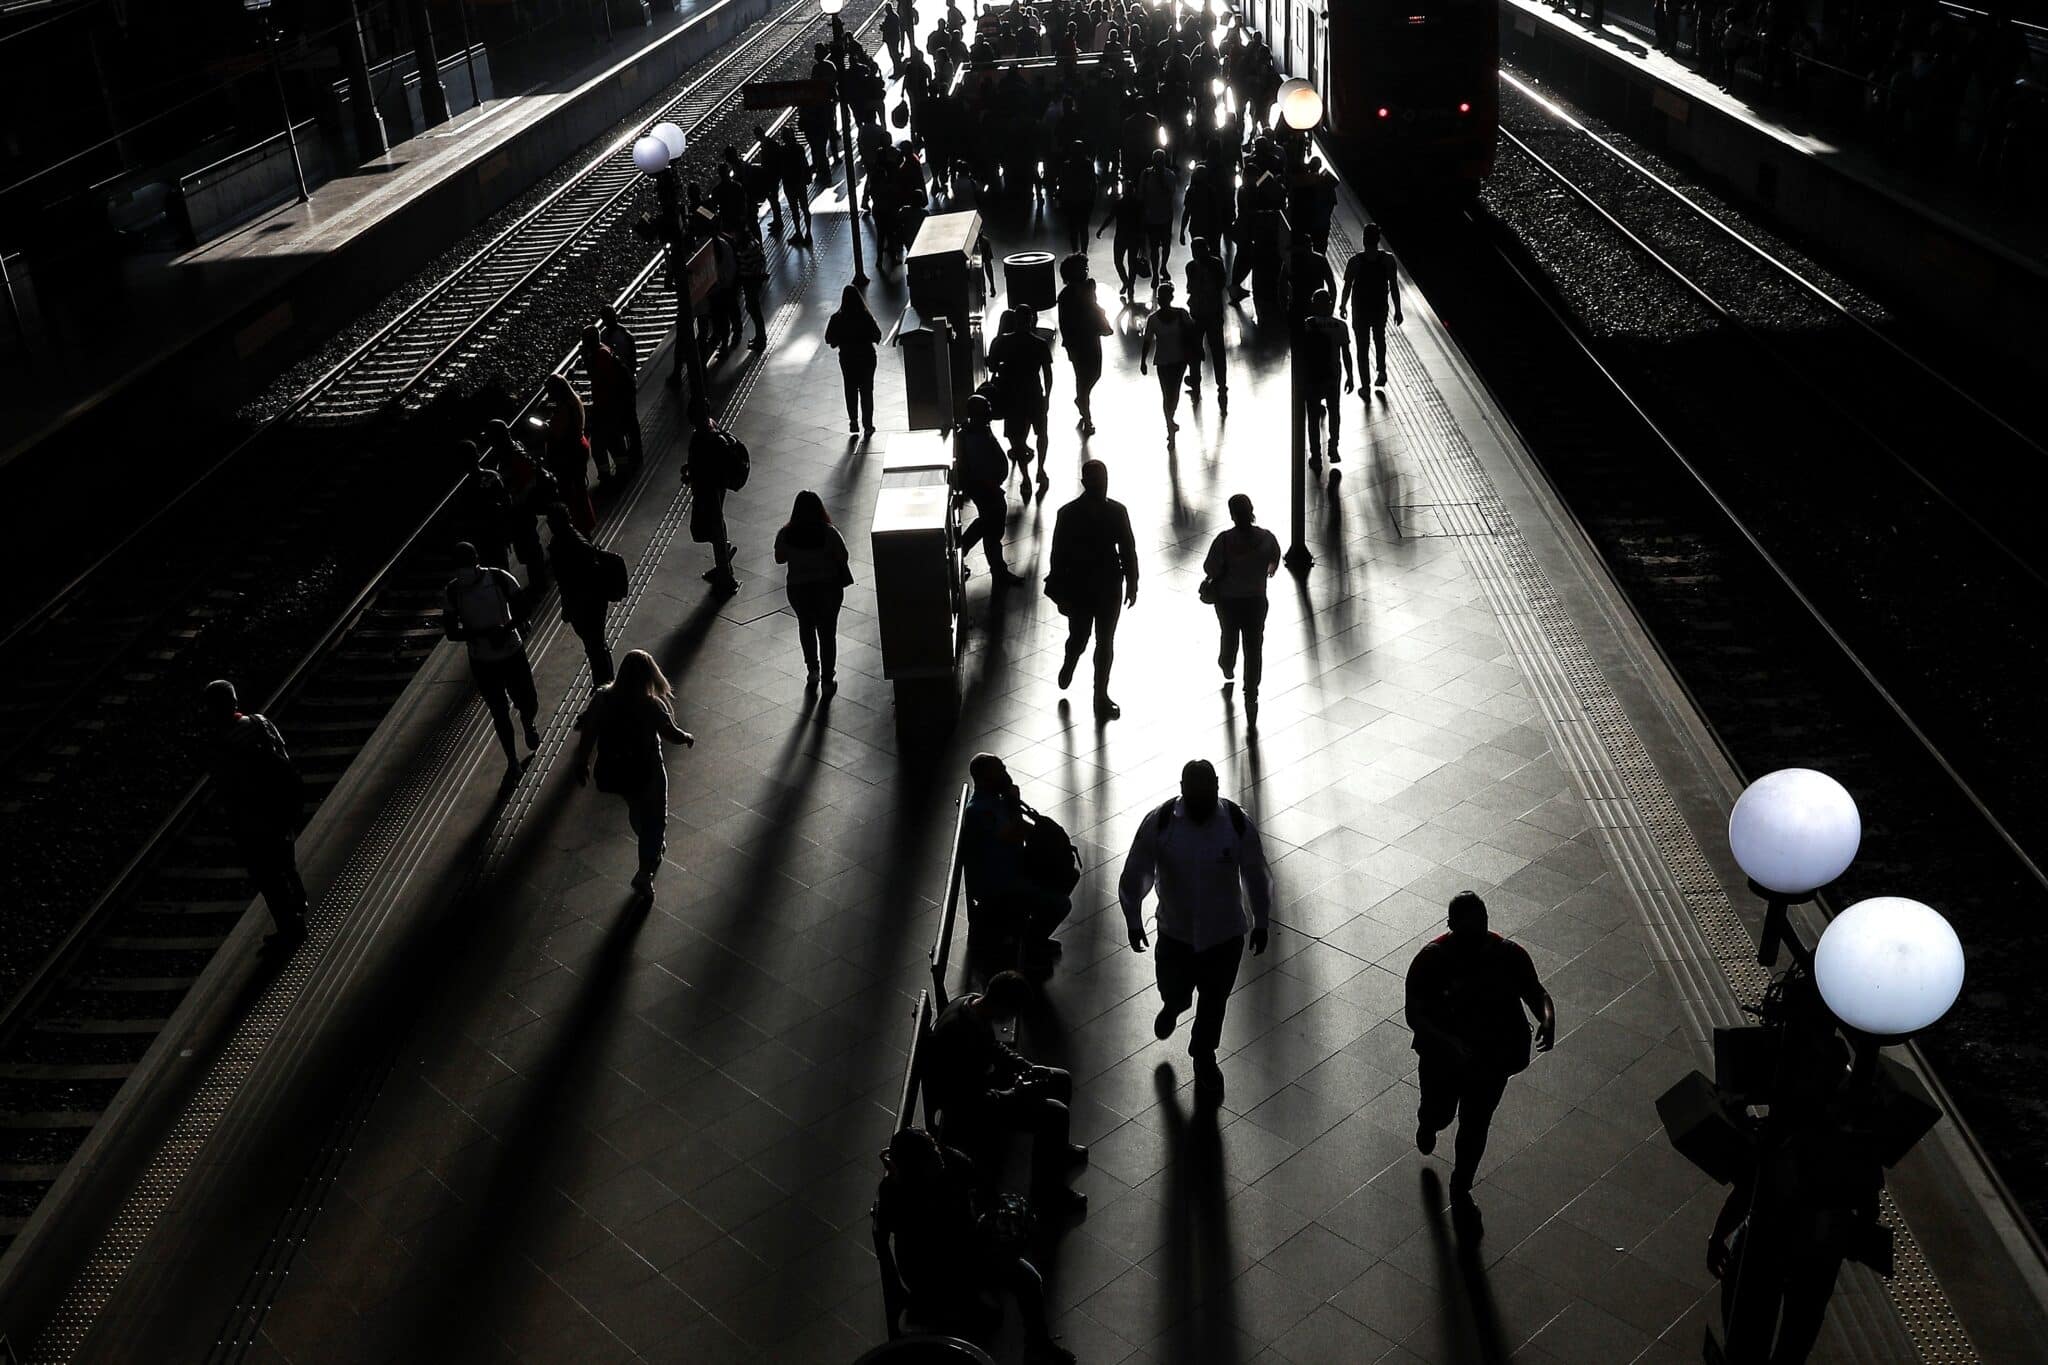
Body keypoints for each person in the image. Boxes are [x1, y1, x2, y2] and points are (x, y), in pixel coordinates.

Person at [1118, 759, 1273, 1102]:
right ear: (1182, 789)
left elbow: (1255, 874)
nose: (1201, 800)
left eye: (1208, 792)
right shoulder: (1160, 823)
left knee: (1215, 1000)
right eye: (1194, 794)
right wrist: (1132, 917)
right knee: (1173, 987)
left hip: (1224, 935)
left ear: (1217, 786)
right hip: (1176, 933)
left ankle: (1204, 1054)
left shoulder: (1235, 823)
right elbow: (1136, 872)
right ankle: (1174, 1004)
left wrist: (1261, 919)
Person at [1404, 891, 1557, 1211]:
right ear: (1451, 926)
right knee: (1442, 1112)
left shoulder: (1508, 955)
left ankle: (1462, 1182)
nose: (1476, 939)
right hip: (1443, 1060)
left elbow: (1535, 992)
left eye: (1481, 927)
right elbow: (1414, 1015)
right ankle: (1429, 1121)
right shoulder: (1431, 960)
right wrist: (1447, 1043)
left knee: (1476, 1121)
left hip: (1490, 1059)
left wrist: (1548, 1017)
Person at [874, 1128, 1076, 1365]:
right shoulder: (898, 1193)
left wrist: (995, 1220)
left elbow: (984, 1188)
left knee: (1027, 1281)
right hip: (930, 1269)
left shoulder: (945, 1164)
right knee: (1017, 1287)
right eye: (930, 1158)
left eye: (936, 1152)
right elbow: (910, 1246)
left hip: (965, 1250)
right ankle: (983, 1321)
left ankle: (1037, 1347)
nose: (938, 1160)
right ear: (914, 1167)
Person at [923, 972, 1089, 1217]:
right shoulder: (960, 1035)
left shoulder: (970, 1004)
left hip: (979, 1084)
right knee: (1055, 1114)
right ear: (1002, 1004)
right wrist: (1014, 1093)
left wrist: (1024, 1066)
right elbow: (972, 1100)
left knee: (1060, 1079)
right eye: (1013, 1011)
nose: (1012, 1019)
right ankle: (1046, 1193)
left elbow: (992, 1047)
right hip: (968, 1108)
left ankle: (1056, 1153)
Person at [573, 649, 695, 899]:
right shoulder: (651, 705)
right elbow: (671, 733)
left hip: (615, 771)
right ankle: (644, 872)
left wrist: (582, 761)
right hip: (647, 769)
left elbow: (589, 733)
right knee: (657, 817)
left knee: (637, 809)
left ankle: (649, 842)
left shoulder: (602, 699)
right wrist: (686, 737)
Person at [202, 680, 309, 948]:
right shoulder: (260, 723)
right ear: (235, 702)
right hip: (279, 807)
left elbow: (227, 787)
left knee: (267, 876)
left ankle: (290, 927)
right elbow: (283, 757)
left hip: (252, 820)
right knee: (285, 860)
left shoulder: (221, 743)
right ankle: (298, 903)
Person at [961, 754, 1073, 972]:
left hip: (1013, 869)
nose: (1005, 774)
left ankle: (1029, 930)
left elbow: (1022, 831)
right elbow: (1012, 835)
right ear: (984, 777)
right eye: (999, 770)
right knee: (1062, 903)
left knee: (1069, 873)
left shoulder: (997, 800)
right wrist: (1013, 805)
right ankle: (1031, 941)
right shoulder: (979, 810)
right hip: (998, 884)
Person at [1046, 459, 1138, 718]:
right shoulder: (1069, 514)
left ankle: (1100, 695)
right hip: (1083, 586)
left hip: (1105, 585)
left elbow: (1128, 548)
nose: (1102, 486)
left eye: (1103, 480)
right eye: (1097, 481)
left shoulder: (1112, 511)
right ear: (1085, 482)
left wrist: (1132, 582)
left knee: (1104, 641)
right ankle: (1072, 659)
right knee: (1081, 637)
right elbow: (1058, 555)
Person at [441, 541, 542, 772]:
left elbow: (523, 608)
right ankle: (512, 760)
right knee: (498, 711)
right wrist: (483, 634)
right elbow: (450, 631)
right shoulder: (453, 591)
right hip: (482, 661)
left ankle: (528, 722)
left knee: (528, 700)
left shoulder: (499, 579)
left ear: (477, 561)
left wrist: (505, 629)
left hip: (511, 651)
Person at [1201, 494, 1280, 722]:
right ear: (1252, 510)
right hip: (1256, 600)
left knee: (1229, 635)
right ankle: (1251, 691)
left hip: (1228, 600)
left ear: (1232, 515)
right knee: (1254, 645)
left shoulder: (1224, 541)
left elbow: (1210, 568)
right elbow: (1274, 558)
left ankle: (1227, 663)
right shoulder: (1267, 538)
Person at [773, 490, 852, 692]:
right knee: (827, 633)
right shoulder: (829, 532)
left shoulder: (786, 533)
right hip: (828, 588)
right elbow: (843, 556)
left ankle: (812, 670)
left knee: (806, 627)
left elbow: (779, 558)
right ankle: (827, 678)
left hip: (799, 589)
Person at [952, 394, 1026, 587]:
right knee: (991, 526)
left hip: (987, 486)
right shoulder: (972, 435)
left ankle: (962, 550)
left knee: (989, 525)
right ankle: (960, 548)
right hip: (985, 487)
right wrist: (990, 483)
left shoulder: (978, 430)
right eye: (986, 408)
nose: (990, 412)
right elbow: (977, 465)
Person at [545, 504, 621, 686]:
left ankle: (604, 682)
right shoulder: (568, 541)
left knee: (595, 646)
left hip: (586, 605)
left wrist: (570, 607)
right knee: (595, 645)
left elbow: (572, 582)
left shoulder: (569, 545)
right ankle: (604, 681)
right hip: (586, 603)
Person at [987, 305, 1055, 493]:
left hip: (1012, 395)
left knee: (1017, 440)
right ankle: (1041, 469)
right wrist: (1047, 396)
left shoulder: (1002, 342)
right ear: (1032, 320)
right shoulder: (1040, 343)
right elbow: (1048, 374)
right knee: (1042, 434)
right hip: (1034, 393)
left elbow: (992, 366)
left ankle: (1025, 478)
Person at [683, 400, 741, 594]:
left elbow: (701, 464)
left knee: (706, 527)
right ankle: (723, 558)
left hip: (706, 489)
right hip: (716, 487)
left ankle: (724, 565)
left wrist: (691, 473)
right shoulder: (711, 426)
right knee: (714, 524)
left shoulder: (702, 437)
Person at [1339, 222, 1404, 390]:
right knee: (1379, 338)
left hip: (1360, 310)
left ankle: (1365, 383)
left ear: (1363, 240)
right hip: (1380, 307)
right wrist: (1398, 309)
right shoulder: (1388, 260)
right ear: (1378, 239)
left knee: (1362, 345)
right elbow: (1394, 286)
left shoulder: (1354, 261)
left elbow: (1347, 286)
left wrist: (1342, 305)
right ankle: (1381, 371)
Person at [1055, 253, 1112, 435]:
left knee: (1095, 373)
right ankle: (1087, 416)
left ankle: (1081, 399)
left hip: (1090, 337)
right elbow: (1065, 322)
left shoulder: (1089, 286)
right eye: (1083, 268)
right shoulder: (1065, 296)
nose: (1086, 272)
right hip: (1079, 341)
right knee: (1083, 378)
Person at [1301, 289, 1355, 464]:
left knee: (1313, 416)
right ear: (1330, 304)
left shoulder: (1307, 325)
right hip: (1333, 375)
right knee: (1334, 411)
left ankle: (1316, 454)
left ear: (1313, 304)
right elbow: (1346, 353)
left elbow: (1300, 354)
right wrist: (1350, 376)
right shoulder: (1340, 326)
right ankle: (1333, 447)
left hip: (1312, 377)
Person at [1138, 281, 1196, 438]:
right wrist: (1143, 360)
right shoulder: (1180, 315)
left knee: (1171, 393)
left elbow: (1148, 341)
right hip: (1173, 360)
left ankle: (1169, 420)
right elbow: (1147, 342)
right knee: (1170, 393)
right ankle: (1170, 421)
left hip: (1170, 360)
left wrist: (1143, 361)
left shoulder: (1156, 319)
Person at [581, 327, 636, 487]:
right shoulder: (605, 351)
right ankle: (622, 471)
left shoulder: (601, 355)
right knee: (614, 440)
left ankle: (606, 475)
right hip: (612, 405)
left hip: (606, 406)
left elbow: (600, 380)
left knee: (599, 443)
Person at [824, 284, 882, 434]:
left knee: (850, 390)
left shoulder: (836, 318)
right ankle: (868, 426)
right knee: (866, 391)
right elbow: (878, 336)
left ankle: (853, 422)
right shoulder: (865, 316)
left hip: (847, 358)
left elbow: (829, 340)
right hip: (867, 358)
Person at [542, 374, 596, 534]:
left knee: (571, 491)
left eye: (550, 391)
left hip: (569, 454)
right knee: (579, 489)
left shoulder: (564, 408)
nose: (549, 395)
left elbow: (558, 434)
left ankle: (580, 525)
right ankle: (587, 522)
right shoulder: (575, 401)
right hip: (579, 447)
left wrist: (547, 429)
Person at [1183, 235, 1229, 413]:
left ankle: (1196, 379)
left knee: (1195, 348)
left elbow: (1190, 288)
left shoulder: (1192, 267)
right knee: (1217, 348)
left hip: (1198, 312)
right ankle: (1221, 383)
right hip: (1212, 312)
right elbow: (1220, 284)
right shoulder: (1216, 264)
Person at [1137, 147, 1178, 288]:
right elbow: (1141, 195)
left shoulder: (1169, 175)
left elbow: (1170, 194)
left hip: (1165, 215)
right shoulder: (1146, 174)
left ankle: (1163, 266)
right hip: (1151, 216)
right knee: (1154, 247)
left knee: (1165, 245)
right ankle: (1155, 272)